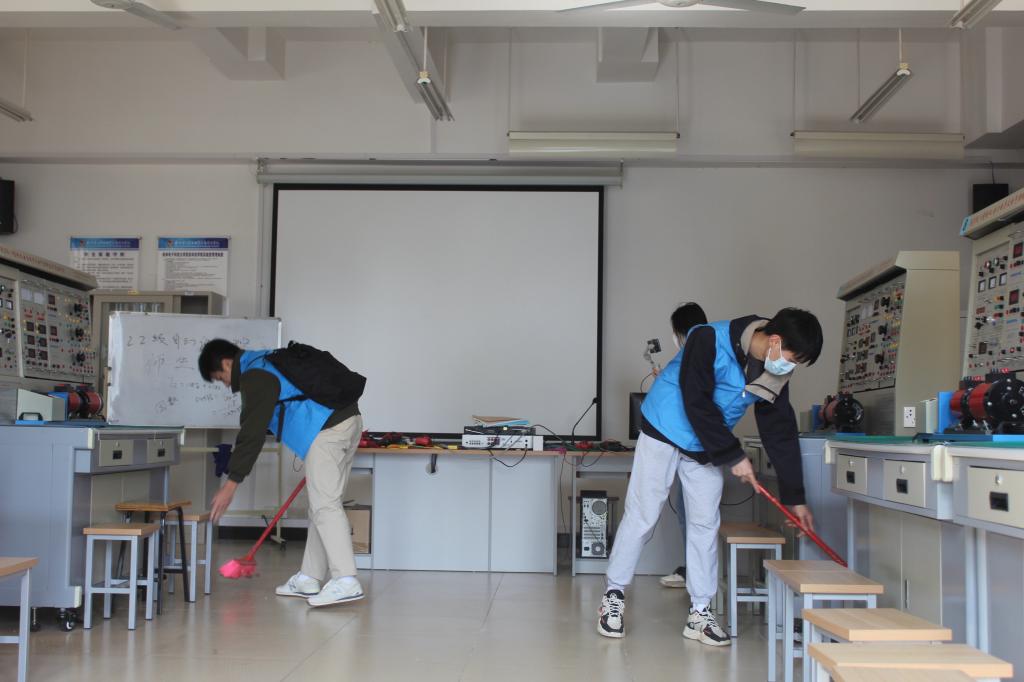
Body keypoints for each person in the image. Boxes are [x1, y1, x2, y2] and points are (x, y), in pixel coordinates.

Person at [598, 308, 822, 646]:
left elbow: (780, 431)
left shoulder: (774, 371)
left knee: (705, 522)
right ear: (775, 341)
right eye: (793, 359)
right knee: (643, 513)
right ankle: (613, 595)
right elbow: (696, 401)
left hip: (705, 443)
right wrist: (733, 455)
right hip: (664, 427)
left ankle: (700, 612)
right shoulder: (708, 338)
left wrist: (795, 497)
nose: (791, 367)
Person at [199, 338, 365, 608]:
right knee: (323, 506)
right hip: (348, 421)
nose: (226, 385)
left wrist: (231, 484)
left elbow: (252, 433)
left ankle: (346, 580)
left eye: (221, 378)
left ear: (227, 363)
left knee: (325, 506)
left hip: (326, 432)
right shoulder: (267, 360)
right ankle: (309, 577)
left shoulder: (255, 375)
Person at [656, 302, 709, 590]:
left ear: (680, 332)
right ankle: (693, 574)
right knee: (689, 513)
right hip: (694, 447)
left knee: (696, 518)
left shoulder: (698, 358)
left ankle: (698, 581)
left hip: (697, 449)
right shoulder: (699, 356)